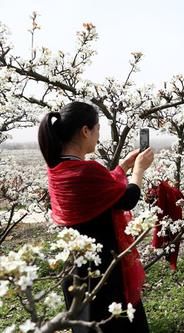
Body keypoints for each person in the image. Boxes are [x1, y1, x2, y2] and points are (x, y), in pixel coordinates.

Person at [38, 101, 154, 332]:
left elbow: (101, 191)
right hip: (104, 271)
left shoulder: (57, 170)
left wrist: (123, 166)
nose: (98, 136)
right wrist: (139, 170)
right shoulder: (87, 170)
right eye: (97, 129)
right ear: (85, 131)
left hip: (76, 268)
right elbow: (125, 199)